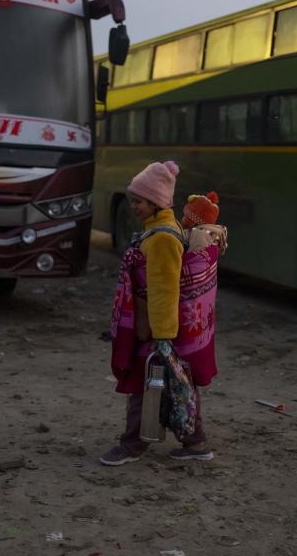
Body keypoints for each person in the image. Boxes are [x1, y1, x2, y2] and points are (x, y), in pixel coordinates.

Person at [102, 162, 219, 466]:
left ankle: (132, 445)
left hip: (157, 328)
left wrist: (163, 338)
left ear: (155, 202)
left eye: (138, 201)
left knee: (146, 384)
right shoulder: (157, 231)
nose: (134, 207)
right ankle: (195, 443)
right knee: (178, 384)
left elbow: (165, 290)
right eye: (133, 201)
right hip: (155, 326)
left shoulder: (163, 238)